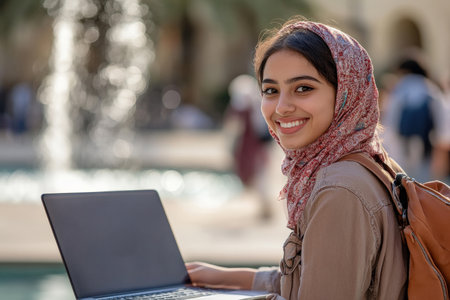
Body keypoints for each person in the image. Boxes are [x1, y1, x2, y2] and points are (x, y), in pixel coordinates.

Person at [186, 18, 407, 299]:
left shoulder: (339, 190)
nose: (282, 107)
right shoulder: (371, 162)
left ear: (345, 92)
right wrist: (222, 277)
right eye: (270, 90)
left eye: (303, 88)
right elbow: (315, 278)